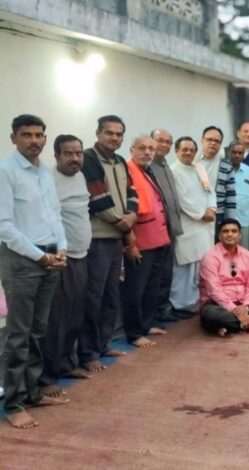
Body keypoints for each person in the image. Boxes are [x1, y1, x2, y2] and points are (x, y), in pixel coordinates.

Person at [0, 114, 69, 428]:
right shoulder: (6, 171)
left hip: (50, 257)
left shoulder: (44, 171)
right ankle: (14, 404)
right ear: (13, 138)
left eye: (39, 135)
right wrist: (41, 257)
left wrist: (62, 247)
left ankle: (31, 392)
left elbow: (55, 214)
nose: (34, 140)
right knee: (18, 335)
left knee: (39, 330)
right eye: (26, 135)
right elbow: (5, 227)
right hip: (22, 261)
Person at [80, 115, 137, 373]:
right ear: (98, 133)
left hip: (115, 239)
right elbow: (97, 199)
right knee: (93, 297)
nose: (114, 137)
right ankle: (88, 353)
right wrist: (123, 223)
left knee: (111, 296)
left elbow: (132, 193)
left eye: (118, 134)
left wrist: (132, 216)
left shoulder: (121, 161)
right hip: (98, 239)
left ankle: (103, 345)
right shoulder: (89, 159)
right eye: (109, 133)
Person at [40, 135, 92, 398]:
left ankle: (66, 364)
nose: (75, 158)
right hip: (61, 258)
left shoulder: (80, 177)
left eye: (78, 153)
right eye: (68, 153)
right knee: (56, 320)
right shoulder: (48, 179)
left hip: (82, 255)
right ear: (57, 155)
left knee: (75, 314)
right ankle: (47, 378)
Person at [121, 135, 172, 349]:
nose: (148, 152)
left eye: (151, 148)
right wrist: (129, 244)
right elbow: (125, 209)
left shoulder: (147, 171)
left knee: (152, 287)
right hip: (139, 242)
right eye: (142, 148)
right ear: (132, 149)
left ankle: (146, 324)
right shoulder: (126, 170)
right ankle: (134, 333)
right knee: (135, 289)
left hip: (158, 239)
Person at [199, 218, 249, 337]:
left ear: (240, 236)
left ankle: (225, 326)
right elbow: (214, 291)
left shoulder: (248, 256)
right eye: (225, 231)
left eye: (234, 231)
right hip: (217, 304)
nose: (230, 234)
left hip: (242, 301)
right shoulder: (210, 257)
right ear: (219, 236)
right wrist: (234, 309)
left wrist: (246, 306)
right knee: (210, 314)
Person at [169, 137, 217, 314]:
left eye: (192, 150)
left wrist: (212, 208)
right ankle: (180, 304)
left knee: (200, 266)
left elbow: (210, 191)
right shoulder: (173, 171)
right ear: (176, 151)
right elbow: (181, 198)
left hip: (205, 226)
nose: (188, 153)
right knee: (185, 267)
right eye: (184, 150)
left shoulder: (199, 168)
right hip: (188, 225)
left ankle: (196, 301)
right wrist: (201, 214)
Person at [148, 127, 183, 323]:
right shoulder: (146, 167)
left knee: (166, 274)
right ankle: (150, 317)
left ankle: (162, 311)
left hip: (170, 230)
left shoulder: (166, 166)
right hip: (155, 231)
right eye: (160, 140)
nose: (164, 145)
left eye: (168, 142)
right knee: (153, 276)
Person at [197, 126, 237, 227]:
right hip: (195, 213)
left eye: (217, 141)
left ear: (220, 144)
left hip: (217, 214)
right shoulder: (192, 162)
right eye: (209, 139)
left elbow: (231, 196)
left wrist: (231, 221)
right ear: (202, 140)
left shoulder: (226, 166)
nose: (213, 143)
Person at [226, 141, 249, 250]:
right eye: (234, 152)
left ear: (244, 155)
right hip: (226, 219)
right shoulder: (222, 169)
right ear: (228, 153)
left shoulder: (248, 171)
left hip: (244, 220)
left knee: (243, 252)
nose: (237, 155)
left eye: (240, 153)